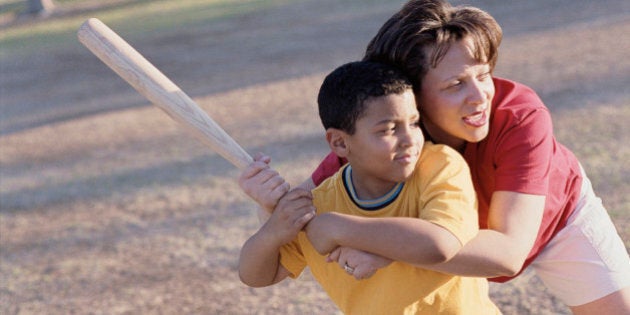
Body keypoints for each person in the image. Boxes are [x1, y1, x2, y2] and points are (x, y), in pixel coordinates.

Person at [238, 1, 630, 314]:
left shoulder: (519, 114)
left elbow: (509, 253)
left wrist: (377, 245)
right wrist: (268, 204)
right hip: (442, 238)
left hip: (556, 219)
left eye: (483, 74)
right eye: (456, 84)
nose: (480, 97)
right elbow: (301, 219)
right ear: (410, 93)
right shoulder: (388, 138)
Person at [238, 61, 501, 314]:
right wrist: (273, 230)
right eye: (388, 129)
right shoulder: (318, 205)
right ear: (340, 143)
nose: (410, 139)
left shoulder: (439, 166)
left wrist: (339, 228)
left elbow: (439, 243)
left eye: (413, 122)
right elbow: (259, 276)